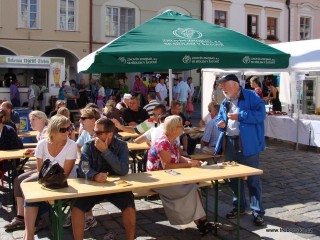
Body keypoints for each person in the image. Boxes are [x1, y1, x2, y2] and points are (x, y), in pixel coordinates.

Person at [146, 115, 215, 236]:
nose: (183, 127)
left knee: (194, 187)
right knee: (192, 188)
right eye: (180, 125)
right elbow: (167, 165)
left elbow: (177, 157)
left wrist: (190, 162)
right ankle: (201, 222)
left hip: (169, 177)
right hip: (159, 180)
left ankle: (201, 222)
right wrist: (189, 164)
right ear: (173, 129)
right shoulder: (163, 142)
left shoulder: (171, 140)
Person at [71, 118, 136, 240]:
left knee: (129, 206)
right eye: (94, 131)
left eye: (98, 133)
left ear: (110, 134)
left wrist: (105, 151)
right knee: (77, 208)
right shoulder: (88, 146)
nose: (94, 135)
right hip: (93, 187)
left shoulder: (121, 145)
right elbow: (82, 169)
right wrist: (94, 175)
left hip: (116, 187)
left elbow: (123, 170)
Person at [215, 74, 265, 226]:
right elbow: (219, 118)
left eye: (225, 85)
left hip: (247, 144)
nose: (223, 88)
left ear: (235, 84)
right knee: (233, 178)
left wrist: (240, 116)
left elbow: (261, 115)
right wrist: (220, 123)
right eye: (222, 86)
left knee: (252, 179)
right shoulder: (225, 101)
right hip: (230, 142)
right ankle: (239, 207)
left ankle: (257, 211)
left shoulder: (251, 96)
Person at [23, 115, 77, 239]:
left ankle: (30, 233)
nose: (67, 132)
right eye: (63, 130)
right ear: (53, 130)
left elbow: (65, 175)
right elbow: (40, 173)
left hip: (65, 184)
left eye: (69, 128)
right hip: (46, 183)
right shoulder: (42, 144)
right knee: (30, 197)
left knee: (33, 199)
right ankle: (29, 235)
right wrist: (45, 191)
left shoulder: (71, 145)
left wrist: (49, 193)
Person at [4, 110, 48, 231]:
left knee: (24, 183)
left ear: (42, 119)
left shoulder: (45, 133)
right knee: (17, 180)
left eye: (33, 119)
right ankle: (20, 216)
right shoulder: (40, 133)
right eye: (30, 120)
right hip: (42, 168)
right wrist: (35, 151)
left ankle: (39, 218)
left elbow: (48, 152)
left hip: (48, 171)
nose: (30, 122)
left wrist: (37, 152)